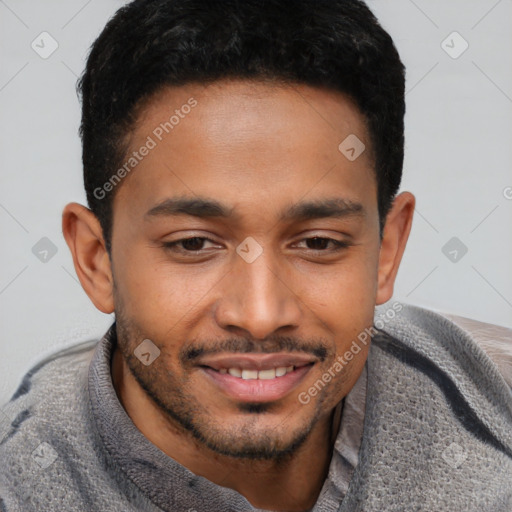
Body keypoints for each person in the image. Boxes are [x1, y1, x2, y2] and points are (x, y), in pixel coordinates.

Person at [1, 0, 511, 510]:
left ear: (387, 251)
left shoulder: (494, 407)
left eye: (318, 243)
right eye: (193, 244)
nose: (261, 315)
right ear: (97, 260)